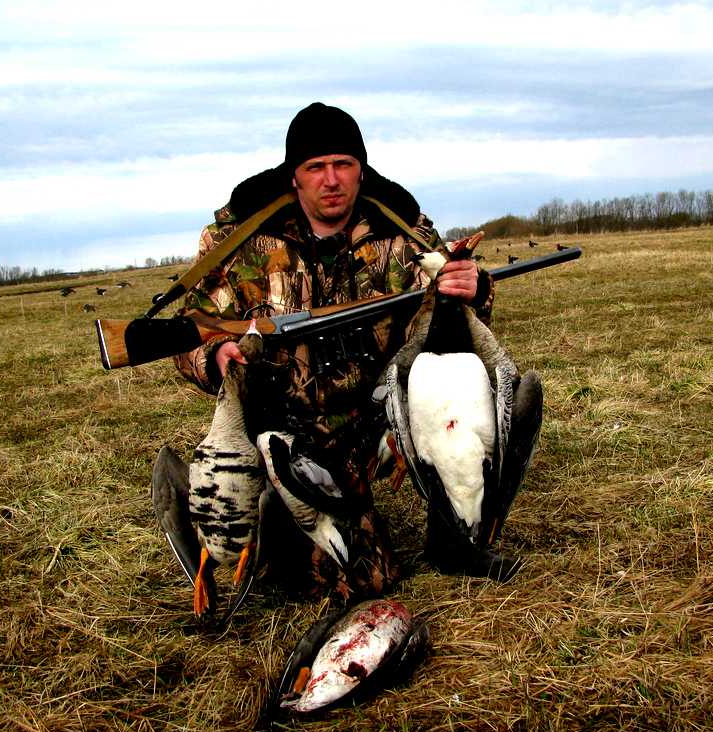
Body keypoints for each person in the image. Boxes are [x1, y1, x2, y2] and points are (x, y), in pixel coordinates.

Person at [170, 102, 495, 602]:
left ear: (361, 170)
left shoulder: (402, 236)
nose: (331, 180)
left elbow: (446, 326)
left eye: (343, 164)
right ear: (293, 177)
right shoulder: (239, 243)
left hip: (366, 426)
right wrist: (215, 356)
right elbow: (190, 330)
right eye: (315, 167)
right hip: (273, 429)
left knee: (369, 581)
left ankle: (456, 535)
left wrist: (468, 287)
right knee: (301, 579)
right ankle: (240, 513)